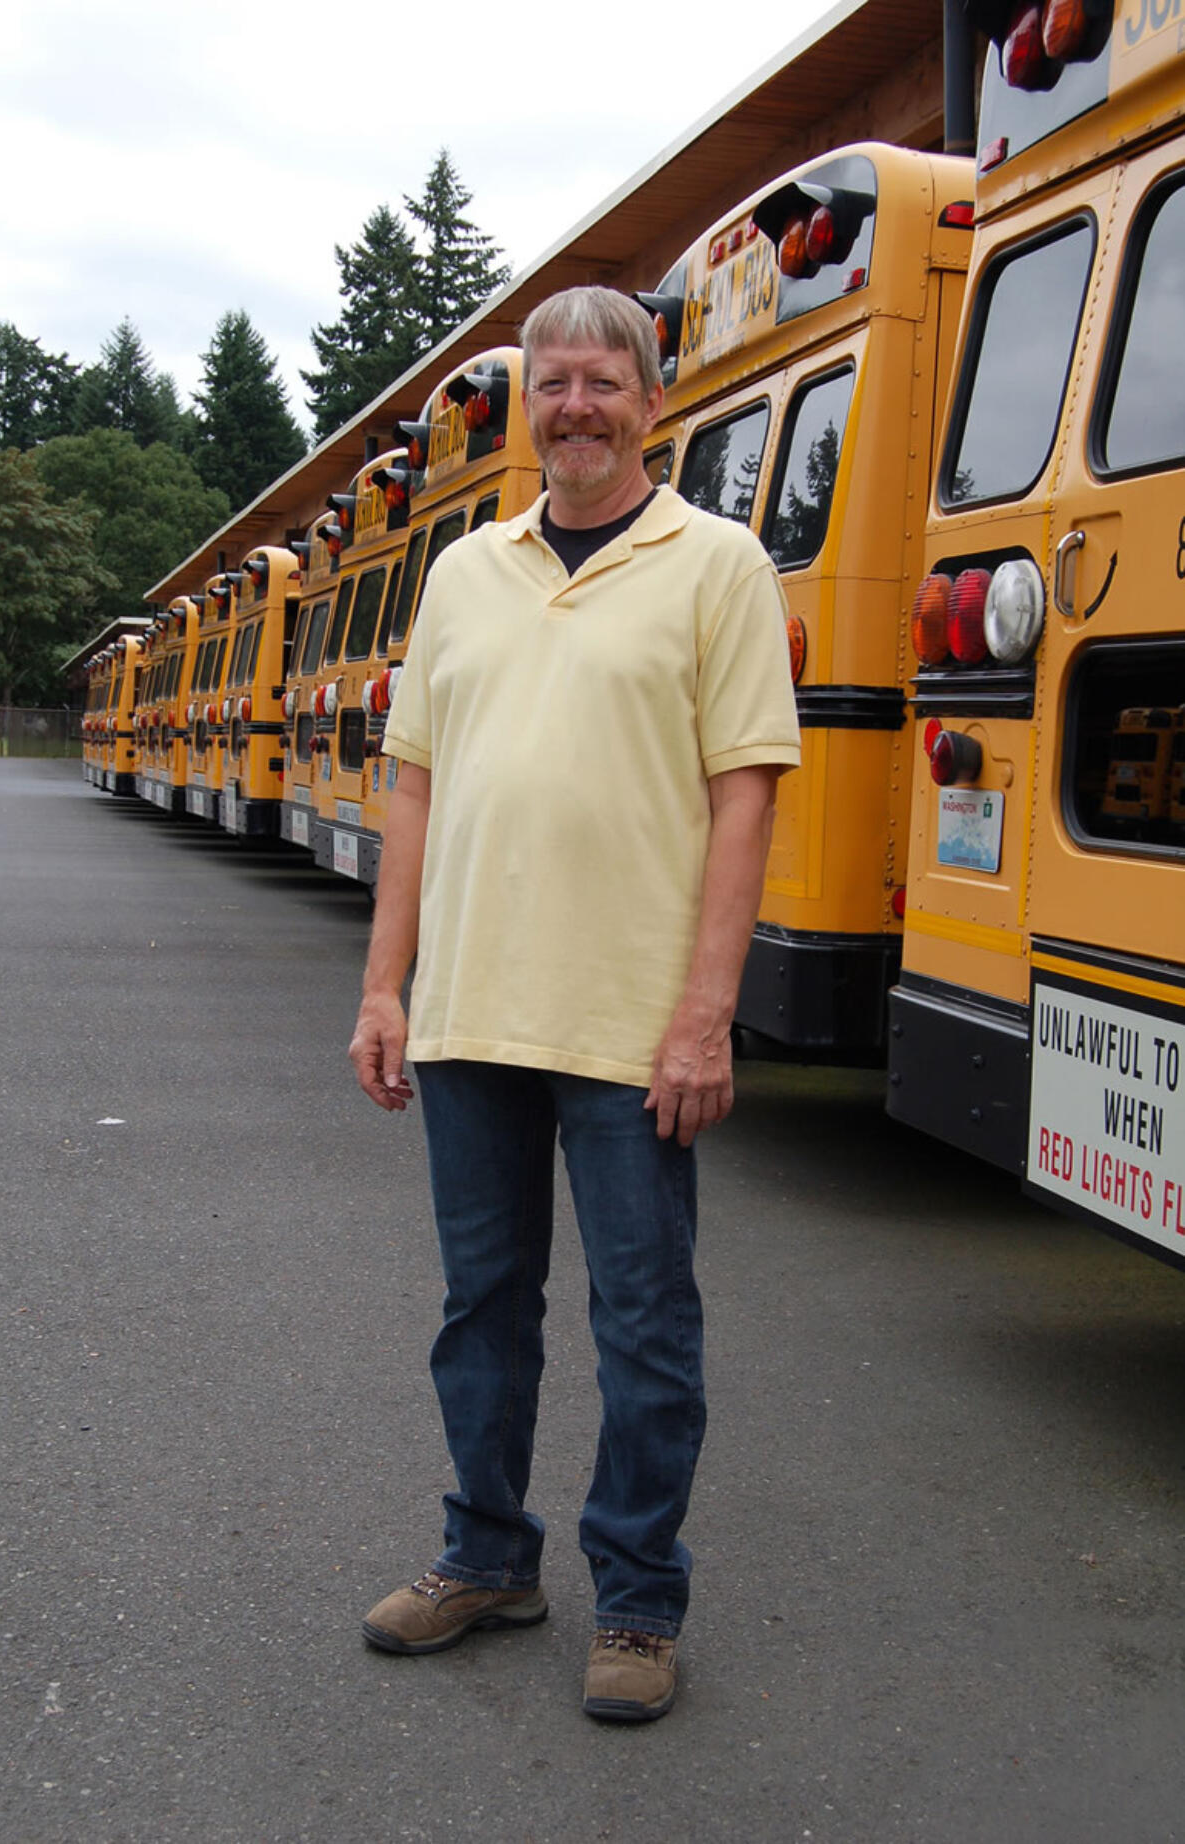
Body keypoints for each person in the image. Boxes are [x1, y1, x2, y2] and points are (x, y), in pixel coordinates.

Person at [348, 286, 800, 1722]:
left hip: (628, 1024)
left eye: (605, 381)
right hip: (471, 1011)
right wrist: (382, 989)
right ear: (528, 407)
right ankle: (485, 1557)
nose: (576, 406)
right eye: (554, 384)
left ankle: (641, 1601)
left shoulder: (718, 565)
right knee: (480, 1308)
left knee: (643, 1320)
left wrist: (704, 1014)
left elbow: (744, 797)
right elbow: (412, 791)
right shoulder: (462, 573)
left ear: (650, 404)